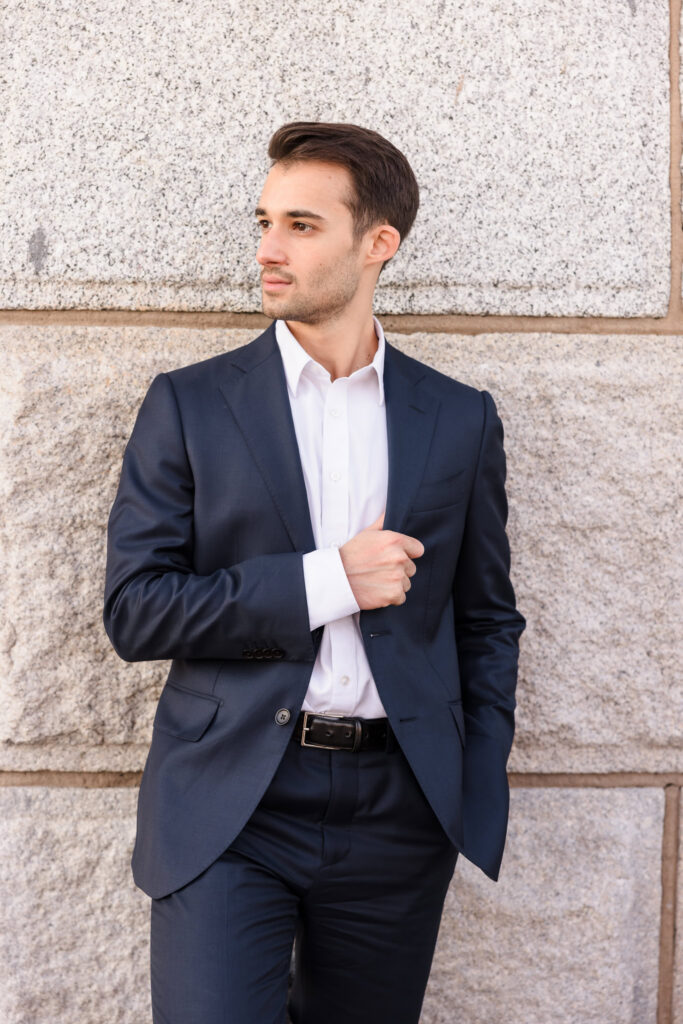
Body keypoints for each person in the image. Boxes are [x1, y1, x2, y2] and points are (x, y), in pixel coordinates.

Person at [103, 121, 525, 1024]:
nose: (266, 250)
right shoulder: (190, 404)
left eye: (300, 225)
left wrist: (468, 778)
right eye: (264, 221)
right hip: (232, 805)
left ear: (378, 245)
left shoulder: (457, 419)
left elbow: (487, 618)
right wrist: (325, 582)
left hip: (398, 813)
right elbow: (135, 611)